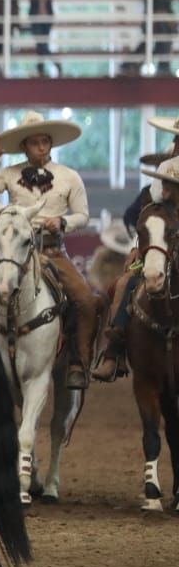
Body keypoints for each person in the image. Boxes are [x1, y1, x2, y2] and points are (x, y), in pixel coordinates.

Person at [0, 111, 99, 389]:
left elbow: (83, 215)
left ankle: (78, 362)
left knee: (86, 301)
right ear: (24, 146)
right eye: (35, 142)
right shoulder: (8, 173)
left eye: (45, 141)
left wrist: (63, 221)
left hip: (52, 250)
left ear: (51, 144)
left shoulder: (70, 176)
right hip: (12, 251)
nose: (41, 147)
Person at [94, 114, 179, 381]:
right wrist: (137, 245)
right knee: (126, 282)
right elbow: (148, 213)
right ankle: (114, 351)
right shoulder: (164, 171)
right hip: (160, 244)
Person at [25, 0, 63, 77]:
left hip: (47, 17)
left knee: (42, 43)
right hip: (35, 17)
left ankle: (41, 69)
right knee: (40, 43)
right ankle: (53, 63)